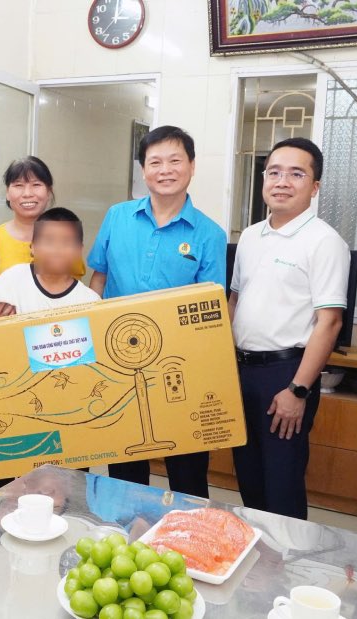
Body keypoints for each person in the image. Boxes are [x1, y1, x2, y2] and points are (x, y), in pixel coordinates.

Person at [87, 125, 226, 497]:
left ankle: (187, 543)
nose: (165, 169)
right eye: (155, 162)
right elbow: (97, 279)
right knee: (125, 467)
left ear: (192, 166)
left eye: (175, 160)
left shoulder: (210, 234)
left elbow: (211, 309)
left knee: (187, 472)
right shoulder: (117, 216)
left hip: (180, 369)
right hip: (118, 362)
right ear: (144, 169)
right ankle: (126, 539)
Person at [230, 137, 349, 519]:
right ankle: (257, 565)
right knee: (248, 477)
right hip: (241, 371)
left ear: (314, 188)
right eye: (274, 172)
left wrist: (298, 390)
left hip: (286, 375)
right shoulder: (249, 236)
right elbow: (235, 302)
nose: (282, 181)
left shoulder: (325, 242)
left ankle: (288, 568)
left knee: (281, 484)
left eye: (296, 174)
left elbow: (330, 322)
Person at [0, 207, 99, 346]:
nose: (57, 249)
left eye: (67, 242)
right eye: (49, 241)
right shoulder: (15, 277)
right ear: (33, 247)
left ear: (79, 250)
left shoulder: (90, 300)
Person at [0, 156, 85, 278]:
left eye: (36, 184)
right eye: (18, 185)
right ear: (7, 193)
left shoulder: (66, 234)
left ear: (49, 191)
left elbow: (74, 286)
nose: (27, 194)